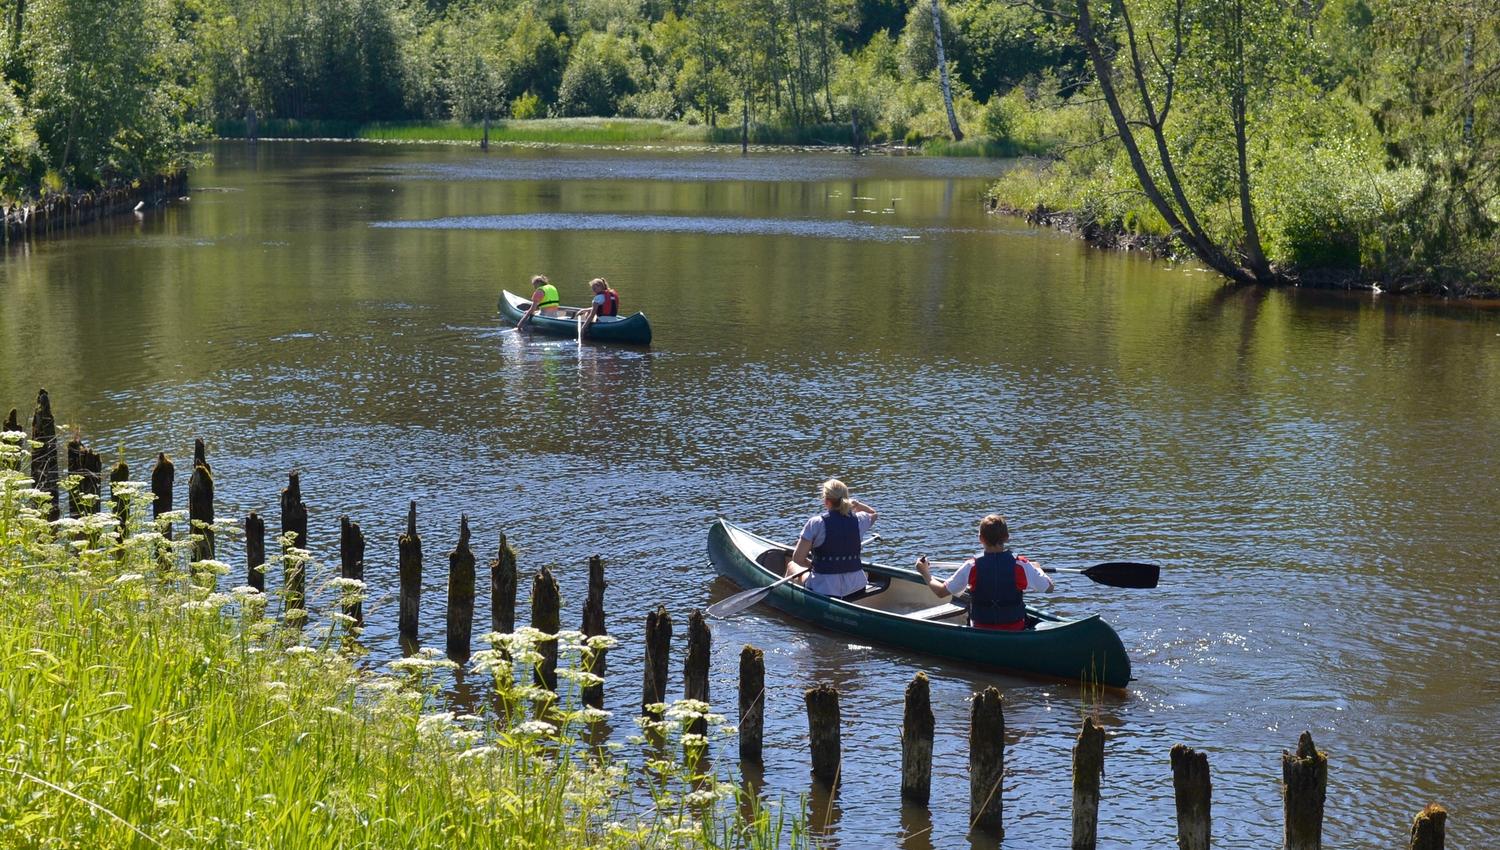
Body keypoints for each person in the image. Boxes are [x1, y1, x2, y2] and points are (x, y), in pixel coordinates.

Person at [915, 514, 1054, 630]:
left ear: (980, 538)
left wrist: (925, 573)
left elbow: (940, 592)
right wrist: (1037, 568)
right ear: (1007, 537)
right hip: (1015, 628)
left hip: (981, 628)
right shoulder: (1021, 564)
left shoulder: (971, 565)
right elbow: (1049, 588)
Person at [786, 479, 877, 597]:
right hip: (857, 587)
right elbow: (873, 513)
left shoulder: (816, 523)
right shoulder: (859, 520)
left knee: (792, 566)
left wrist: (812, 565)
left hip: (825, 590)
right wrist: (857, 504)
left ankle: (784, 598)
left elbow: (798, 559)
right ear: (846, 498)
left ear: (826, 501)